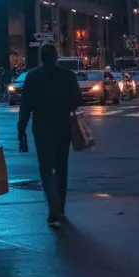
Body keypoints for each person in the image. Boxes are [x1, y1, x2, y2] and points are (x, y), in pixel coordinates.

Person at [17, 44, 82, 225]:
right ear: (56, 57)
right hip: (63, 126)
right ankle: (60, 206)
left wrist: (21, 129)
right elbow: (77, 99)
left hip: (42, 127)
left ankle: (53, 203)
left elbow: (25, 106)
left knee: (45, 167)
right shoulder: (67, 76)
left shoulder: (33, 77)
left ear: (41, 57)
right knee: (62, 167)